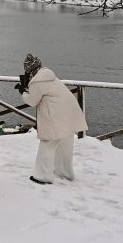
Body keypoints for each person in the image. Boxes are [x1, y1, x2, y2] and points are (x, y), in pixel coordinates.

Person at [18, 53, 87, 183]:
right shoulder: (48, 76)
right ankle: (66, 173)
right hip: (70, 112)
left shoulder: (37, 81)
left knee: (47, 143)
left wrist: (23, 92)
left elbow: (32, 101)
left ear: (28, 70)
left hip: (57, 116)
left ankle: (43, 176)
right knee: (65, 144)